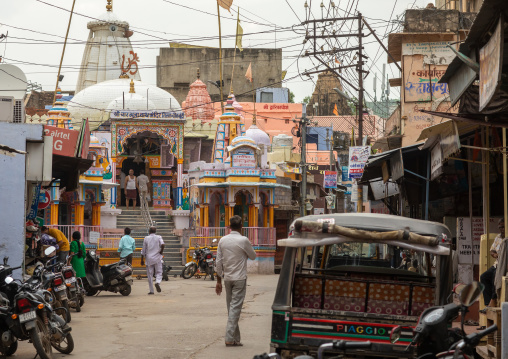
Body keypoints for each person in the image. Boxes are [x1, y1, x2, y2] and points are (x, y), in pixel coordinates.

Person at [215, 215, 257, 347]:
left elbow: (218, 262)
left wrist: (218, 281)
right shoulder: (243, 240)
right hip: (239, 278)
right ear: (241, 227)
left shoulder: (223, 240)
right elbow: (253, 256)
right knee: (234, 308)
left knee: (232, 308)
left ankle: (235, 339)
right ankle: (229, 337)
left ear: (229, 226)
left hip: (227, 279)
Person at [480, 218, 505, 312]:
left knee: (495, 277)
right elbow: (492, 250)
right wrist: (495, 254)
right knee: (484, 277)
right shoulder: (498, 237)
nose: (501, 229)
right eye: (500, 227)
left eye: (503, 227)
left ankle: (493, 300)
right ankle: (488, 304)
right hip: (497, 264)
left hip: (504, 265)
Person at [141, 227, 165, 295]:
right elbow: (163, 244)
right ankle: (157, 282)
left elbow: (143, 250)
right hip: (157, 258)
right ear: (155, 231)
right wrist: (161, 252)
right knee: (159, 272)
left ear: (149, 231)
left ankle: (151, 291)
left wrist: (142, 259)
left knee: (150, 275)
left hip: (149, 259)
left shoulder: (146, 238)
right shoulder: (158, 237)